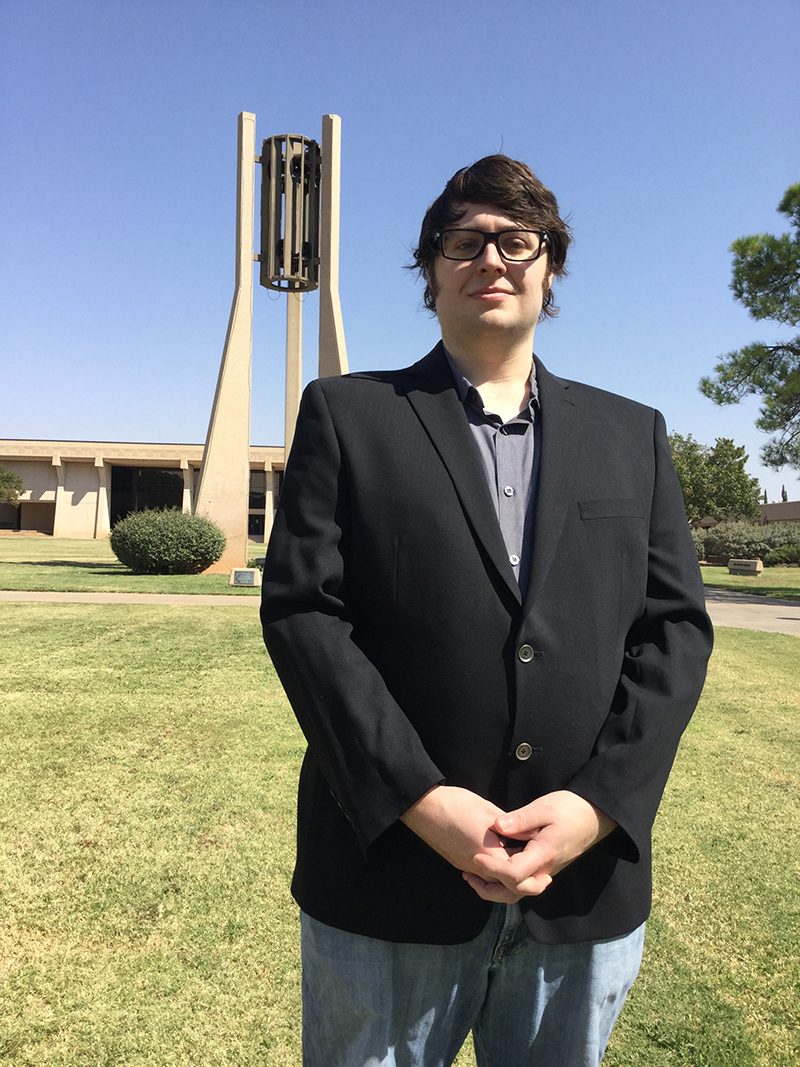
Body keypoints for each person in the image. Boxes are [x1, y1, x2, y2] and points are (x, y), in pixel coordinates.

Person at [261, 155, 713, 1067]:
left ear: (551, 266)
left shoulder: (635, 434)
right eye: (463, 242)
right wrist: (424, 802)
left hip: (581, 888)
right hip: (390, 880)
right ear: (431, 271)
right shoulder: (348, 415)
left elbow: (675, 631)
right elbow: (306, 615)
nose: (492, 259)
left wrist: (596, 808)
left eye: (517, 240)